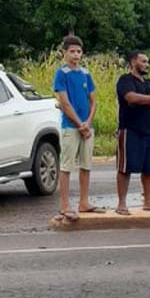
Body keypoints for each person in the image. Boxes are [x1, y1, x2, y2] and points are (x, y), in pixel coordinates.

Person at [52, 35, 103, 221]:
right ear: (64, 52)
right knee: (66, 166)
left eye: (78, 51)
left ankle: (84, 201)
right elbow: (64, 102)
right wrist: (79, 124)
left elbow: (93, 100)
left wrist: (88, 122)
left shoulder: (85, 73)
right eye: (72, 51)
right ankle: (65, 205)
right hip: (70, 126)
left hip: (86, 126)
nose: (76, 55)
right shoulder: (62, 74)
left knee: (86, 164)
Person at [115, 51, 150, 215]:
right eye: (143, 61)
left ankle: (148, 201)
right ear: (133, 62)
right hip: (130, 129)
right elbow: (131, 98)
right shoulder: (125, 80)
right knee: (126, 168)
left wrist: (145, 100)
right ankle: (122, 204)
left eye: (148, 62)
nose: (147, 64)